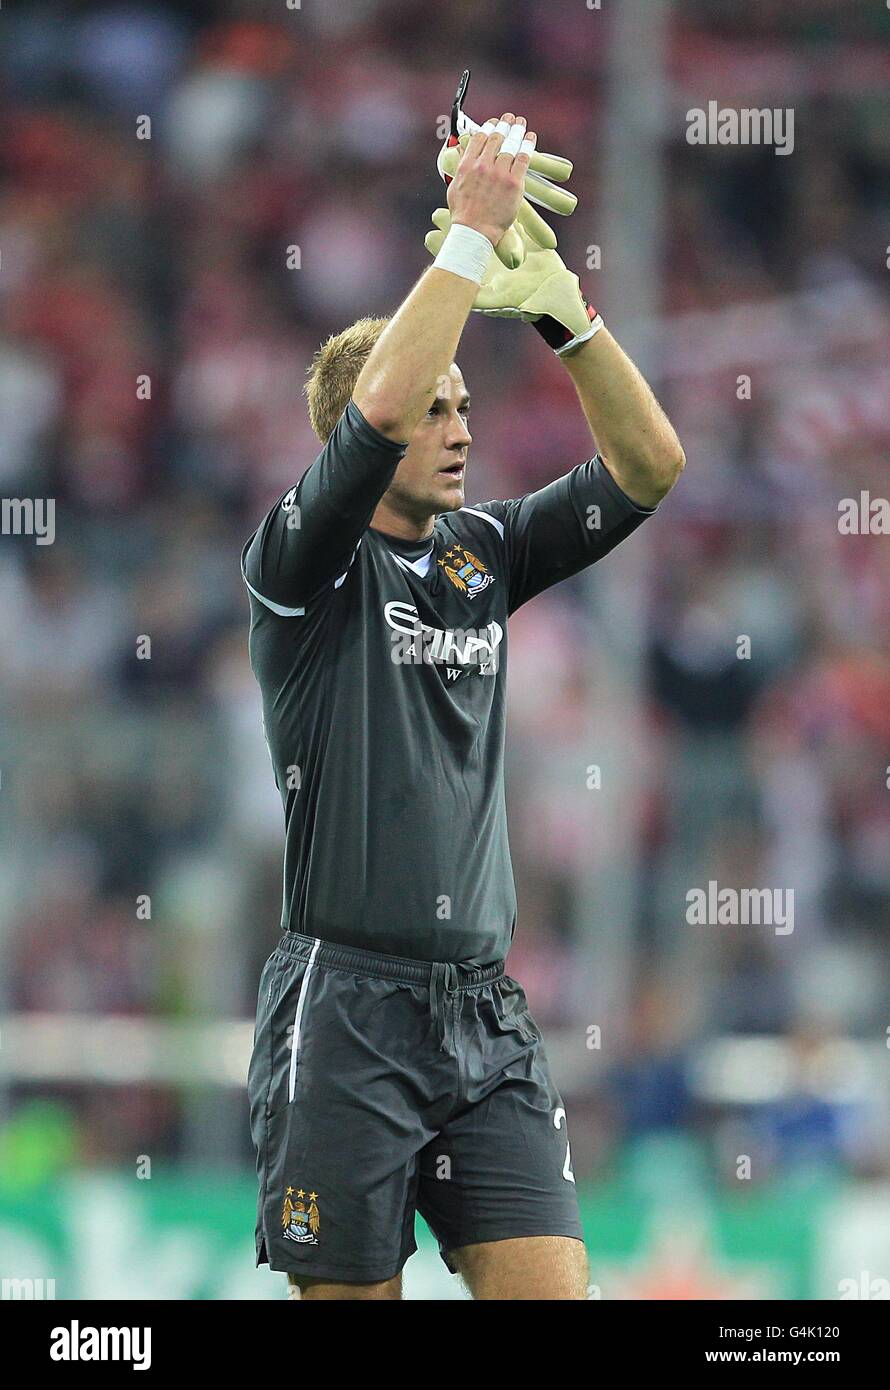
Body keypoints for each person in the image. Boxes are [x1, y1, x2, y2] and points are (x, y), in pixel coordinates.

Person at [242, 113, 685, 1300]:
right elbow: (375, 405)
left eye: (462, 405)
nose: (461, 428)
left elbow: (648, 467)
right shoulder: (302, 566)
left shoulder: (483, 554)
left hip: (482, 1016)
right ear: (357, 441)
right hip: (343, 1013)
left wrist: (564, 317)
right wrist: (466, 240)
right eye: (437, 409)